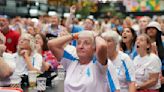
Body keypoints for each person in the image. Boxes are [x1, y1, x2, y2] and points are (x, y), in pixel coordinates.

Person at [145, 21, 164, 92]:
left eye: (153, 28)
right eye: (149, 28)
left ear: (158, 31)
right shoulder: (140, 44)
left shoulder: (163, 44)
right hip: (145, 77)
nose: (150, 30)